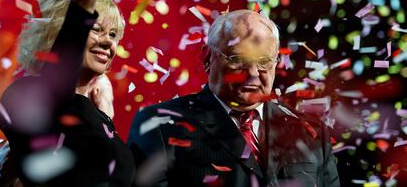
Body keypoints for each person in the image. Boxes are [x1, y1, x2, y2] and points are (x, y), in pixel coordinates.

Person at [128, 10, 340, 186]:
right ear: (207, 58)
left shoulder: (311, 133)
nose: (254, 72)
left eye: (265, 61)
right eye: (239, 59)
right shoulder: (160, 126)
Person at [0, 0, 135, 186]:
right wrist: (83, 2)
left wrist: (105, 115)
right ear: (56, 33)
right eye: (96, 29)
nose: (108, 41)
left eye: (114, 34)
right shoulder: (25, 94)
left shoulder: (98, 113)